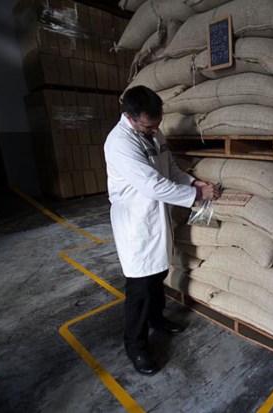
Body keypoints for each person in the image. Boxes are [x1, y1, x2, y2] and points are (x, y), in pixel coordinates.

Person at [104, 85, 221, 375]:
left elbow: (171, 170)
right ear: (130, 117)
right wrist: (197, 195)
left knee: (157, 275)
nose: (154, 129)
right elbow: (152, 185)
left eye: (157, 123)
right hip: (135, 223)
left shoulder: (155, 134)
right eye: (148, 125)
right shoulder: (119, 143)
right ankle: (135, 345)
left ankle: (156, 319)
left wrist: (193, 182)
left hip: (156, 217)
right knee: (140, 288)